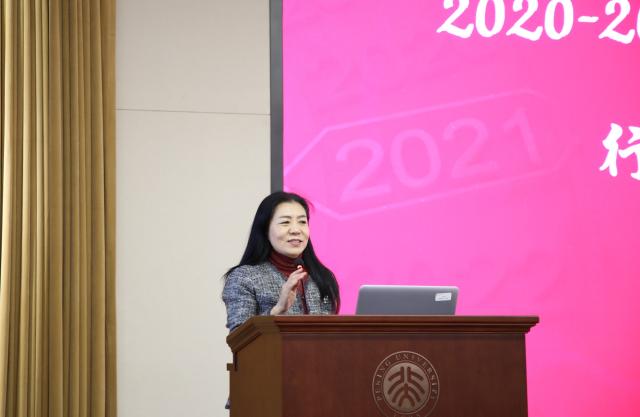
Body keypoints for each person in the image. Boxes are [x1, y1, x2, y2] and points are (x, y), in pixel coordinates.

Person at [222, 191, 340, 332]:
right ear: (265, 230)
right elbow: (240, 338)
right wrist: (277, 310)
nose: (296, 230)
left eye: (302, 222)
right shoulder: (244, 277)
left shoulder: (322, 276)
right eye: (285, 222)